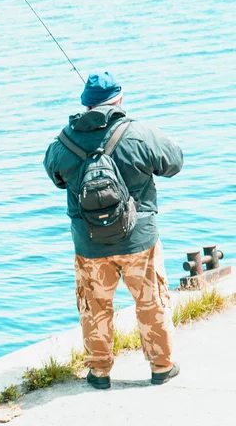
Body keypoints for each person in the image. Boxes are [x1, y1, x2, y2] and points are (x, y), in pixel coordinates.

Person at [43, 71, 183, 389]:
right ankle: (161, 367)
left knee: (95, 307)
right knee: (151, 302)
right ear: (118, 100)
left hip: (89, 243)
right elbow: (175, 161)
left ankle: (100, 373)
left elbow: (54, 173)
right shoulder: (139, 132)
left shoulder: (64, 141)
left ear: (86, 105)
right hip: (140, 239)